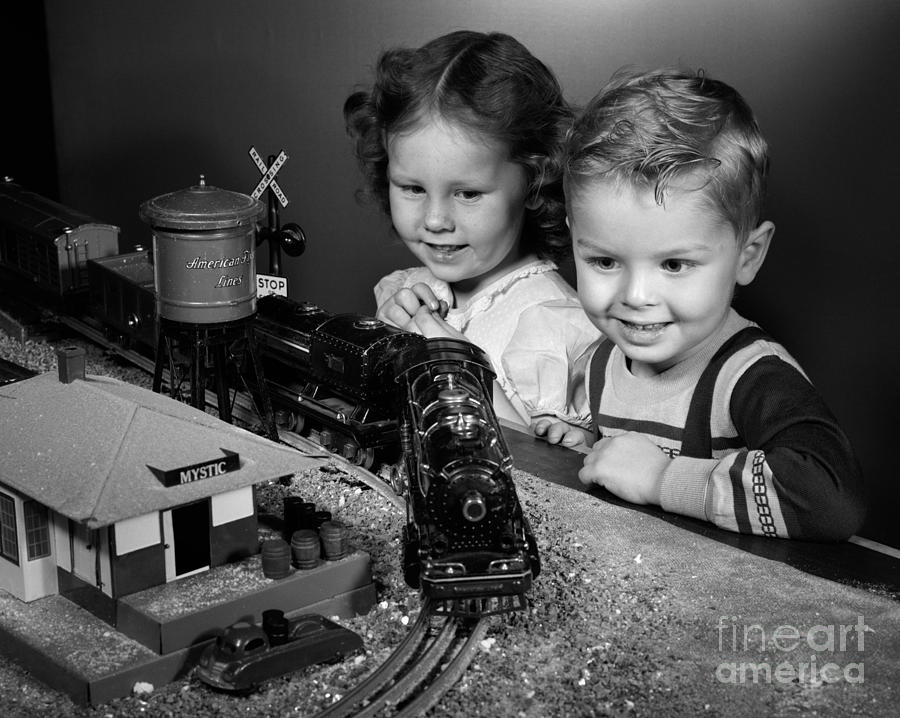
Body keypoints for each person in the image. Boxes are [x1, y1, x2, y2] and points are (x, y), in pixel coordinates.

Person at [539, 66, 865, 540]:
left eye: (673, 265)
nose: (635, 297)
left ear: (746, 257)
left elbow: (831, 501)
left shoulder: (749, 375)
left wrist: (660, 480)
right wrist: (592, 445)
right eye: (604, 261)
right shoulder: (605, 358)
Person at [343, 30, 599, 430]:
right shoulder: (408, 290)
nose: (435, 220)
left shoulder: (554, 329)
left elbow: (543, 477)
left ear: (533, 182)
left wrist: (461, 370)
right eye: (412, 188)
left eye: (467, 193)